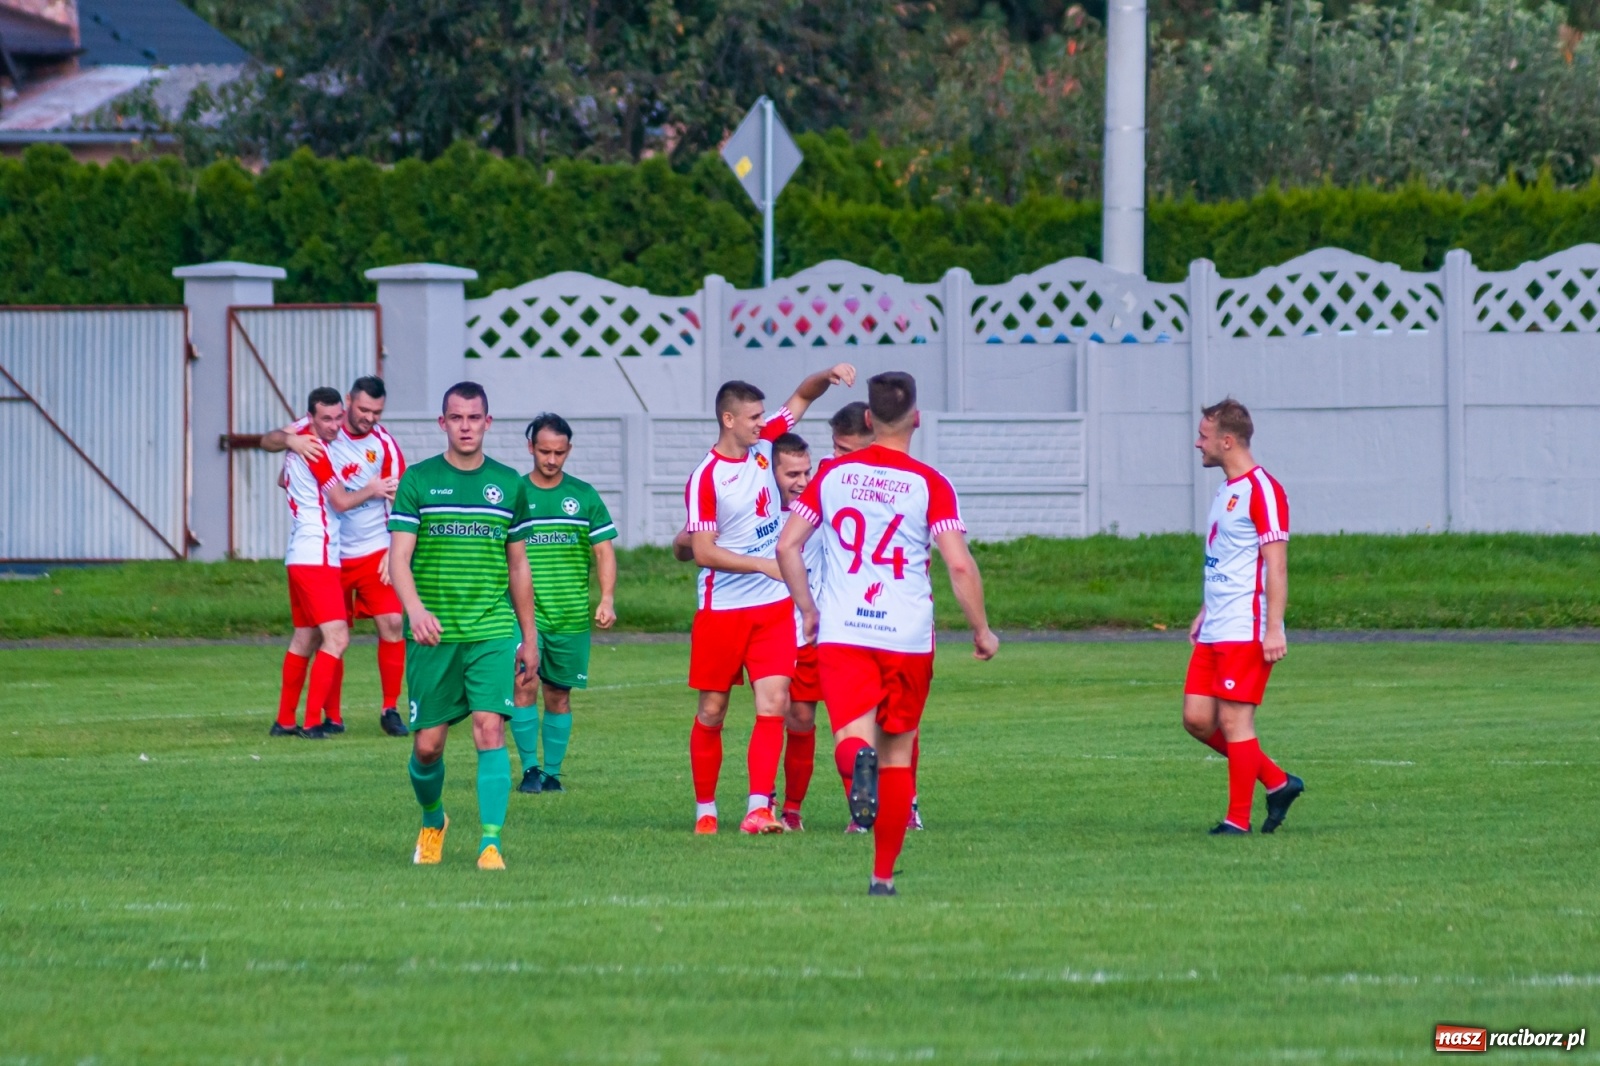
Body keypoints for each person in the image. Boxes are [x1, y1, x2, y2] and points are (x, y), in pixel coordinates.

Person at [776, 371, 998, 896]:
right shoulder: (930, 483)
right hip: (906, 635)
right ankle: (881, 877)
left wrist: (808, 609)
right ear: (916, 419)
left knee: (852, 738)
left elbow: (788, 546)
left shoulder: (833, 476)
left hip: (845, 630)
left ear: (868, 418)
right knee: (898, 757)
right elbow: (959, 564)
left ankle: (858, 765)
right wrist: (982, 629)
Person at [682, 365, 856, 835]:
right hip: (721, 611)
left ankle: (759, 809)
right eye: (754, 417)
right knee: (712, 710)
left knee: (774, 704)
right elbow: (702, 551)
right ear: (729, 419)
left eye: (764, 416)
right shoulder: (705, 478)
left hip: (773, 610)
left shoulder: (764, 448)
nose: (764, 423)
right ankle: (705, 811)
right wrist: (762, 564)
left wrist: (828, 374)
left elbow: (802, 396)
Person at [387, 382, 540, 871]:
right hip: (433, 634)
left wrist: (529, 638)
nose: (466, 426)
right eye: (457, 418)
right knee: (427, 747)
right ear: (443, 423)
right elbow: (398, 558)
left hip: (491, 630)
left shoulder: (509, 485)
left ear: (488, 423)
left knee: (489, 729)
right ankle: (433, 820)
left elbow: (518, 566)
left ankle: (490, 844)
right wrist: (415, 611)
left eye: (474, 418)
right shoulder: (418, 481)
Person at [1182, 398, 1304, 835]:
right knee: (1197, 719)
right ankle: (1278, 781)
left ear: (1227, 441)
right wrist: (1205, 609)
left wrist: (1274, 628)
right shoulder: (1226, 490)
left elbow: (1277, 564)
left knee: (1235, 721)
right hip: (1217, 624)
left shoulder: (1263, 490)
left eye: (1204, 436)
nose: (1198, 443)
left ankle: (1237, 820)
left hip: (1245, 627)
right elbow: (1229, 558)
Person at [264, 376, 410, 737]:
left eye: (377, 412)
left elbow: (404, 501)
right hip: (326, 554)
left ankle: (388, 708)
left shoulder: (384, 446)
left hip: (368, 549)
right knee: (333, 636)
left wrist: (395, 548)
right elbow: (270, 442)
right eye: (363, 409)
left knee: (389, 622)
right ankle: (323, 718)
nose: (369, 418)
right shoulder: (315, 440)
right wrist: (290, 440)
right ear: (348, 403)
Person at [510, 412, 619, 795]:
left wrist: (607, 598)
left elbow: (604, 551)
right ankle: (529, 770)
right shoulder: (515, 493)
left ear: (568, 450)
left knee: (558, 695)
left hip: (570, 615)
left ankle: (552, 774)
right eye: (544, 451)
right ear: (531, 448)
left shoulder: (584, 496)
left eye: (559, 452)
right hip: (524, 615)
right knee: (523, 685)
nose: (551, 459)